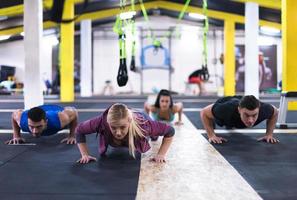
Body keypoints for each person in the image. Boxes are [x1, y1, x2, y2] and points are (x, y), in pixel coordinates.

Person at [75, 103, 175, 164]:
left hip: (140, 116)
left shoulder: (144, 125)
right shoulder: (100, 122)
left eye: (122, 127)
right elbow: (79, 130)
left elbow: (170, 131)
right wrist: (85, 155)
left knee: (154, 138)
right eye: (113, 127)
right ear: (108, 122)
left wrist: (161, 154)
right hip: (126, 116)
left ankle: (141, 114)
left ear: (129, 121)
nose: (118, 133)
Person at [200, 95, 279, 144]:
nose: (251, 120)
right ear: (239, 110)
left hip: (238, 104)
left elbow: (275, 112)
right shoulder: (225, 109)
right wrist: (211, 135)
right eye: (246, 115)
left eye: (254, 115)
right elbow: (204, 112)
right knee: (218, 121)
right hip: (226, 104)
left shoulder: (264, 109)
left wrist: (269, 134)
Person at [5, 105, 78, 145]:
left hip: (54, 108)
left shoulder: (59, 119)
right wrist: (16, 136)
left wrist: (72, 136)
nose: (35, 131)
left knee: (67, 124)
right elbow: (15, 114)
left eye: (38, 127)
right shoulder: (23, 121)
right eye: (31, 127)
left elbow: (74, 112)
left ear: (46, 122)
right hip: (38, 110)